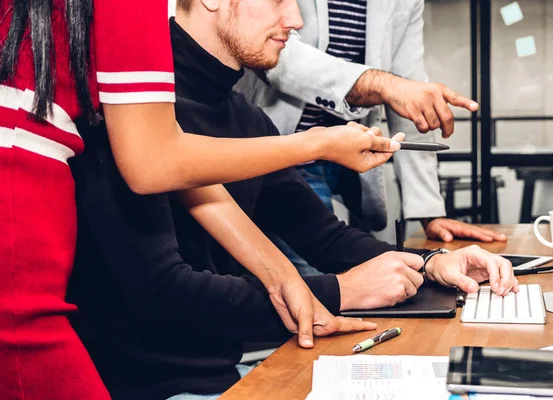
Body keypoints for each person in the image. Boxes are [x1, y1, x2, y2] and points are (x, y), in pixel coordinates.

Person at [67, 1, 519, 398]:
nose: (297, 19)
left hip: (225, 375)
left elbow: (324, 236)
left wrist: (431, 263)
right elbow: (163, 296)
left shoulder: (245, 117)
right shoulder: (125, 119)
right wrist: (343, 290)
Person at [0, 1, 402, 399]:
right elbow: (155, 164)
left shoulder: (226, 114)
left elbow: (182, 173)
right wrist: (315, 144)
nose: (295, 20)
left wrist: (286, 277)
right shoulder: (128, 65)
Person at [236, 0, 508, 244]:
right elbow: (275, 56)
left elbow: (410, 89)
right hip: (288, 156)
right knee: (318, 279)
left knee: (362, 271)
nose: (295, 18)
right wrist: (386, 85)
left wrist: (430, 212)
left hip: (354, 159)